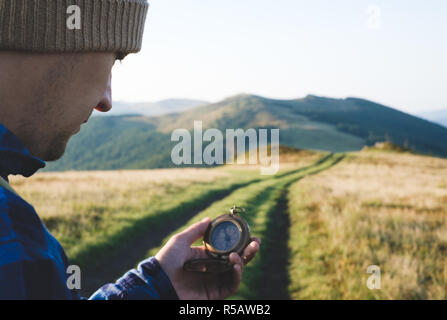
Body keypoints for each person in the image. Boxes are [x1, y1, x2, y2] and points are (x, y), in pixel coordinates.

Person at [0, 0, 260, 300]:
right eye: (114, 58)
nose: (106, 101)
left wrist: (161, 287)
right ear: (51, 39)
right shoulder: (9, 228)